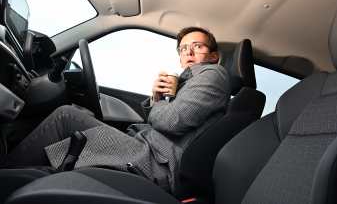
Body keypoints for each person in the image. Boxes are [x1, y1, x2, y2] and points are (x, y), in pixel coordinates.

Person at [4, 26, 230, 192]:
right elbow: (167, 119)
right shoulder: (188, 80)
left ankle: (5, 175)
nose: (188, 53)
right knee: (78, 117)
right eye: (183, 49)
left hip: (156, 161)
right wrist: (158, 97)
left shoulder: (212, 74)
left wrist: (161, 103)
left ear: (213, 56)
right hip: (152, 149)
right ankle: (24, 176)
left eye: (197, 46)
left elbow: (171, 122)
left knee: (66, 117)